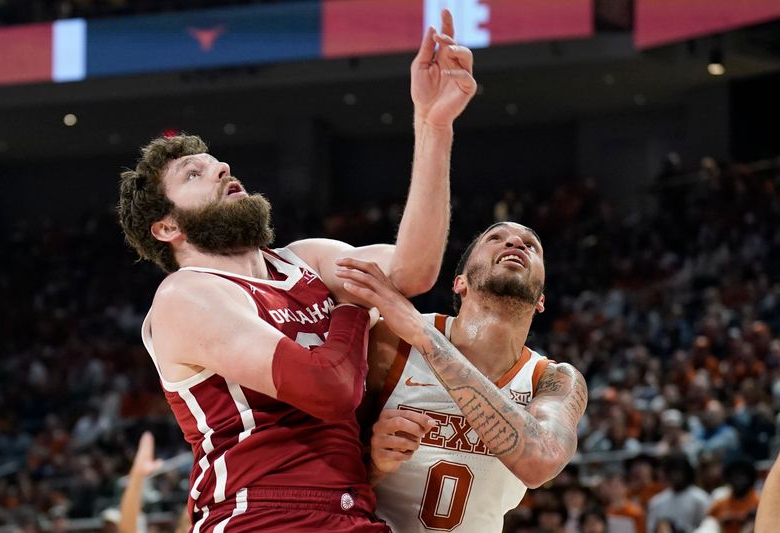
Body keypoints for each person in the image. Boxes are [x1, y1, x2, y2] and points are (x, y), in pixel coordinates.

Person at [115, 9, 477, 530]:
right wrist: (355, 302)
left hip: (352, 510)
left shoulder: (305, 258)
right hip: (259, 516)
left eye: (217, 161)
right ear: (167, 227)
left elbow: (412, 273)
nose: (221, 167)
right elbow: (328, 391)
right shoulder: (185, 295)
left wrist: (433, 125)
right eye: (194, 173)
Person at [334, 221, 588, 532]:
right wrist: (374, 465)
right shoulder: (391, 342)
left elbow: (540, 463)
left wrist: (425, 337)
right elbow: (324, 476)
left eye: (531, 245)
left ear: (540, 301)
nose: (515, 244)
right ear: (460, 283)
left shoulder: (554, 379)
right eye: (496, 238)